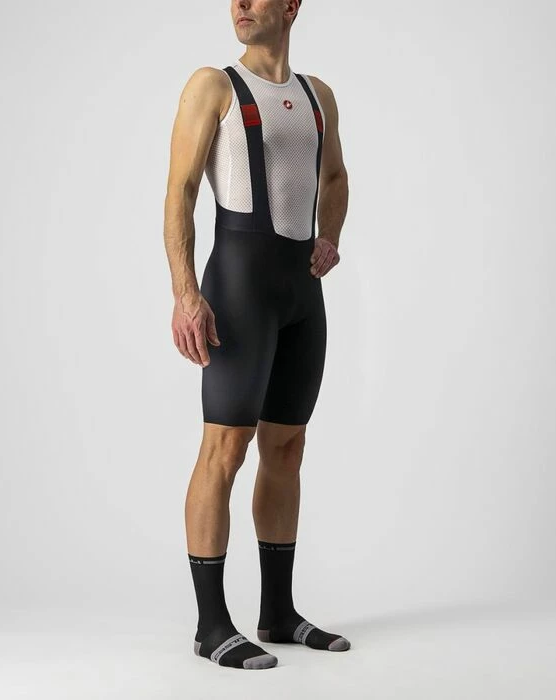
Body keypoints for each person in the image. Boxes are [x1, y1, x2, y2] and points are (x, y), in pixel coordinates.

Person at [163, 0, 349, 669]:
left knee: (287, 447)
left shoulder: (317, 95)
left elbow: (334, 176)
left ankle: (278, 613)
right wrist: (187, 294)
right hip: (238, 290)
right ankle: (210, 624)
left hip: (301, 294)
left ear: (292, 6)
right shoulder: (213, 86)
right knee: (225, 448)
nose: (240, 5)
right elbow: (180, 191)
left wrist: (330, 236)